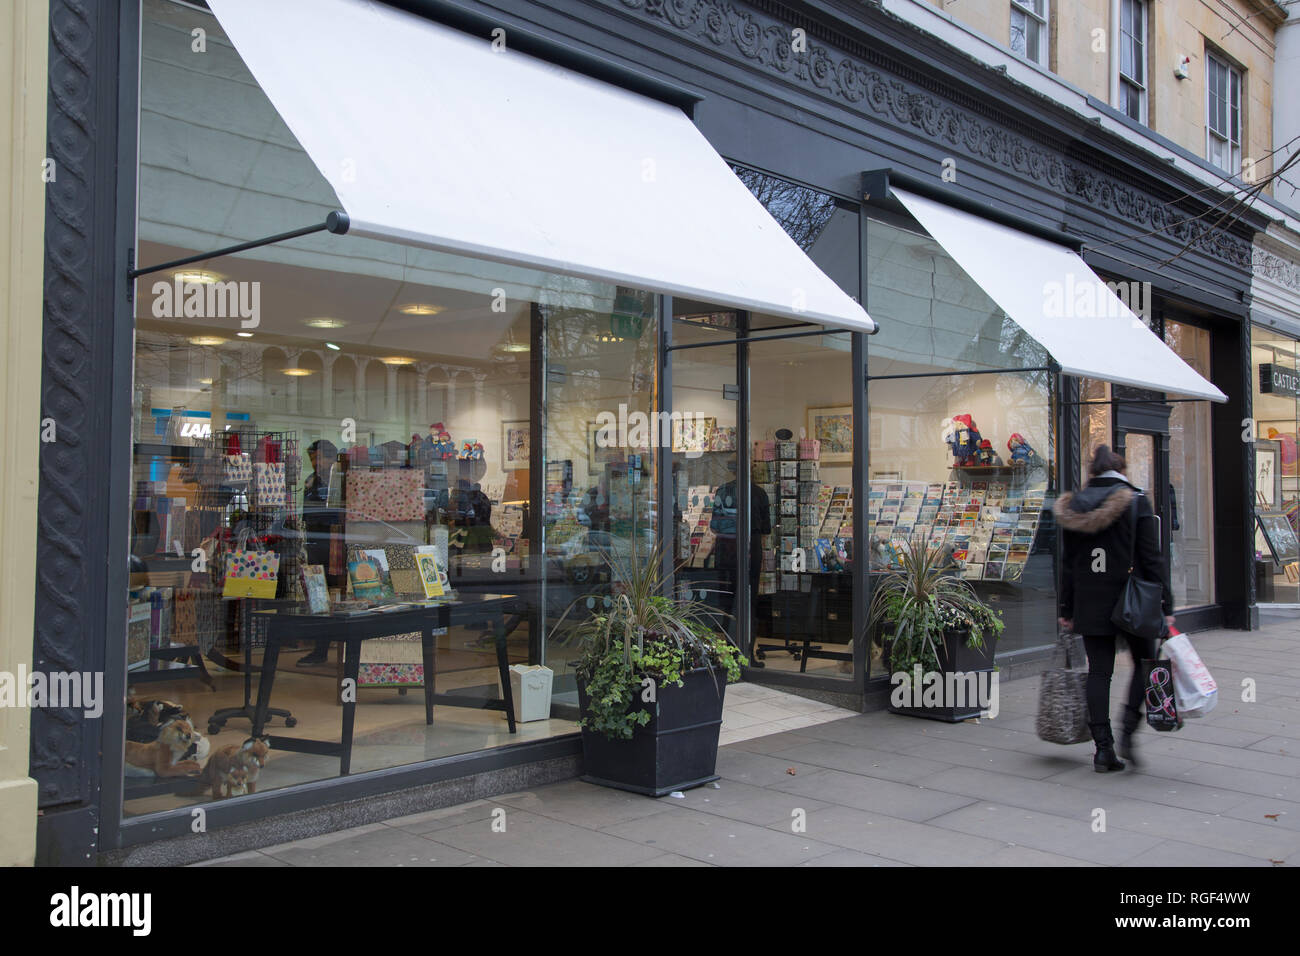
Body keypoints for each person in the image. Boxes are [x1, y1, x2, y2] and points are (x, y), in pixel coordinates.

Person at [1054, 445, 1174, 772]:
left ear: (1092, 472)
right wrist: (1167, 603)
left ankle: (1103, 750)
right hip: (1133, 601)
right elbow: (1153, 559)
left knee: (1099, 671)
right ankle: (1128, 731)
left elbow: (1069, 565)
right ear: (1121, 469)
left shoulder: (1074, 506)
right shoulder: (1136, 501)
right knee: (1145, 662)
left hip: (1089, 601)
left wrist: (1066, 607)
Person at [298, 439, 336, 666]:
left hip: (334, 544)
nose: (316, 462)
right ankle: (319, 648)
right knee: (318, 596)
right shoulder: (311, 481)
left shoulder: (337, 481)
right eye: (312, 457)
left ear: (332, 458)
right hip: (314, 544)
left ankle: (327, 645)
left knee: (335, 595)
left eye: (320, 457)